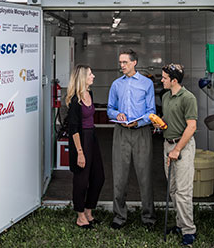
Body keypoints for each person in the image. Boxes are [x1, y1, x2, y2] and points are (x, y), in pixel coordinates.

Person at [107, 49, 156, 230]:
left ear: (134, 62)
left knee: (145, 176)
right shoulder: (116, 85)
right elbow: (110, 108)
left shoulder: (147, 84)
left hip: (141, 132)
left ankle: (149, 218)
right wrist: (116, 114)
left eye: (125, 62)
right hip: (121, 132)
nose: (122, 66)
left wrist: (138, 122)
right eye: (120, 63)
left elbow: (151, 111)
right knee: (119, 176)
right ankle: (119, 217)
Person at [154, 63, 197, 246]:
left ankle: (189, 231)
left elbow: (192, 126)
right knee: (173, 189)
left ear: (173, 80)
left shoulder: (188, 98)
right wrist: (160, 124)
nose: (161, 80)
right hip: (167, 146)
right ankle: (180, 224)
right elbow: (168, 119)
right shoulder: (165, 97)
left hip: (182, 148)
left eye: (164, 78)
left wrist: (177, 149)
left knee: (183, 191)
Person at [66, 64, 105, 229]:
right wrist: (80, 153)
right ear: (82, 77)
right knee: (81, 180)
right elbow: (73, 129)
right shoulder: (75, 100)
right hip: (80, 141)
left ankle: (89, 211)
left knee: (98, 177)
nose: (93, 76)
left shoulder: (89, 93)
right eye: (90, 74)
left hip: (92, 137)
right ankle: (80, 216)